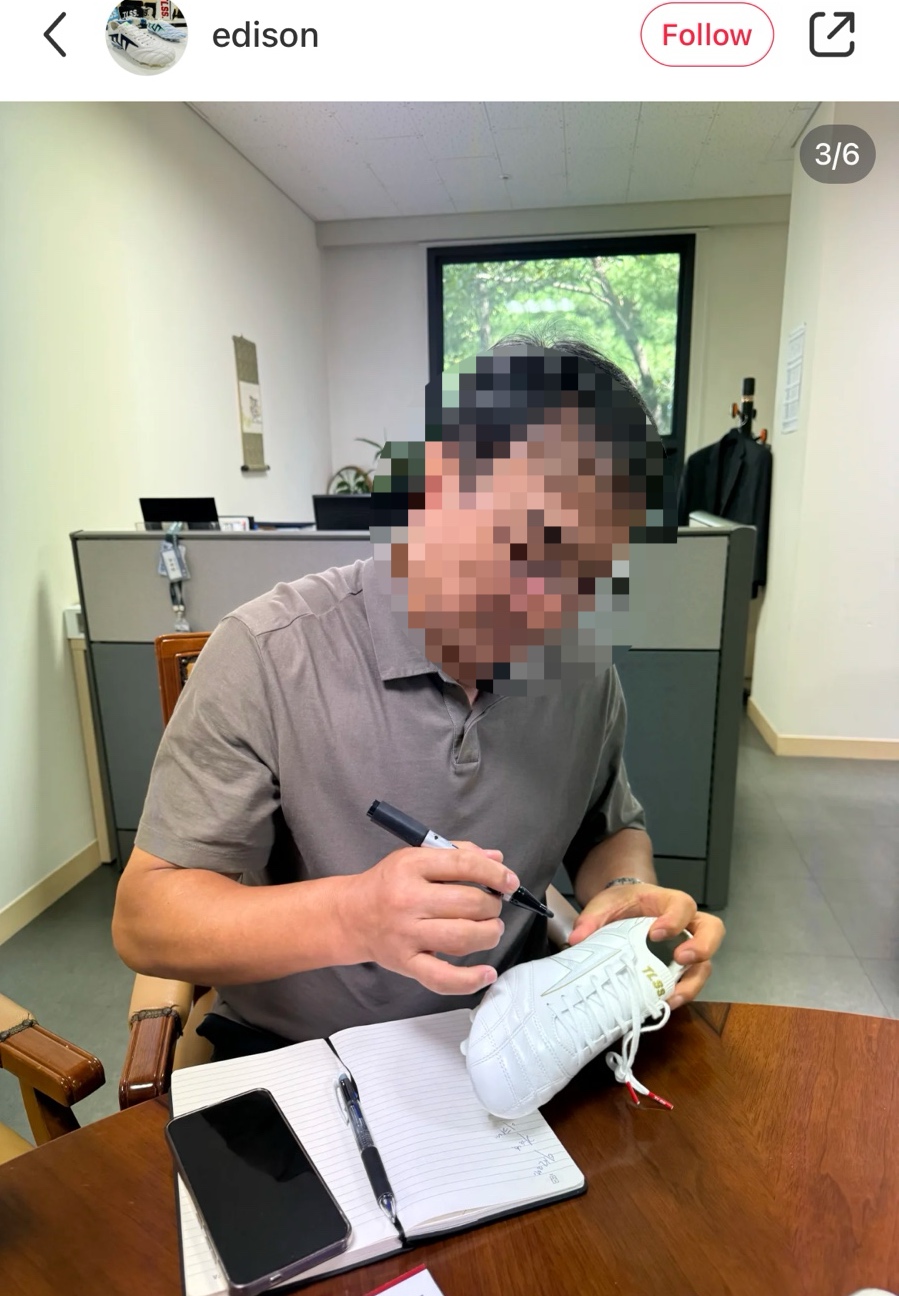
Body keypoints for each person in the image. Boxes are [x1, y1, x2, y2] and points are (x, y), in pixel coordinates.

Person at [112, 337, 725, 1061]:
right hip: (297, 1051)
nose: (552, 605)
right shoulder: (269, 652)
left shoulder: (582, 673)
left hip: (510, 1034)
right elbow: (146, 918)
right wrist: (353, 916)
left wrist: (627, 892)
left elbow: (608, 830)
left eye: (589, 570)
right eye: (528, 546)